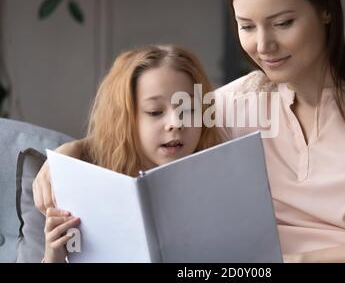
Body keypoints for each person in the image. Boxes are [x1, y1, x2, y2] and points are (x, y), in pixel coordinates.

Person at [35, 0, 345, 262]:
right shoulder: (236, 102)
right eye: (247, 26)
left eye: (283, 22)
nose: (263, 45)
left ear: (325, 10)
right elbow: (146, 130)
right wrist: (69, 155)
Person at [42, 45, 222, 262]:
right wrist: (54, 256)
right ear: (126, 120)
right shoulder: (82, 186)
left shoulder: (221, 177)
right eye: (155, 112)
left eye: (189, 110)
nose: (176, 123)